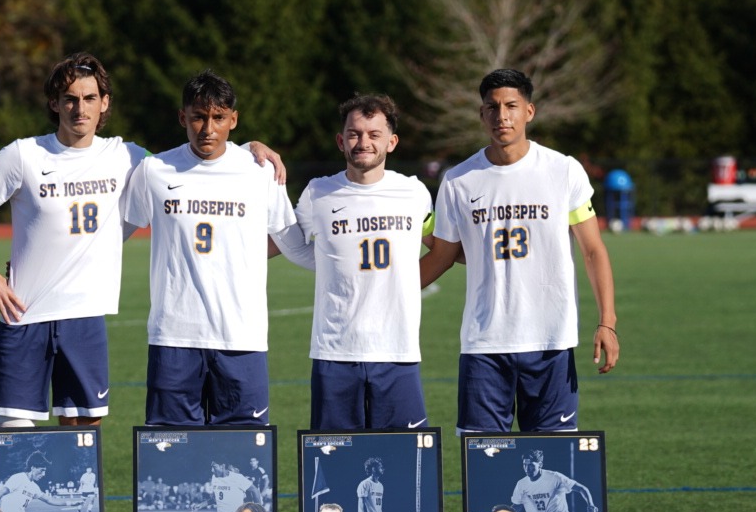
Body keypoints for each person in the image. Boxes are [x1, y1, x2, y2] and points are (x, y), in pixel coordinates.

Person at [0, 53, 285, 427]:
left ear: (104, 103)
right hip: (23, 313)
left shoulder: (129, 157)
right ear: (54, 103)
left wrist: (250, 148)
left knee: (82, 444)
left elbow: (192, 166)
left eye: (90, 98)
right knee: (14, 439)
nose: (80, 108)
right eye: (70, 98)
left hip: (84, 319)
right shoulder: (22, 155)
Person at [419, 68, 619, 433]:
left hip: (550, 342)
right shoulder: (458, 181)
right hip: (484, 344)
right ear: (482, 115)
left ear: (529, 111)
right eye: (492, 107)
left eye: (511, 105)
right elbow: (443, 256)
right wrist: (382, 285)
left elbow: (592, 250)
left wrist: (607, 321)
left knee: (553, 459)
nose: (502, 116)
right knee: (481, 464)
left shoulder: (563, 170)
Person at [119, 70, 307, 427]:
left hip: (241, 336)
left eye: (218, 118)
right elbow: (113, 236)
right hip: (173, 336)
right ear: (182, 118)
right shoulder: (154, 170)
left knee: (243, 460)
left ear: (233, 120)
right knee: (169, 458)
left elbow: (291, 242)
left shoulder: (260, 171)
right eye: (198, 117)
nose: (208, 128)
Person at [286, 94, 433, 431]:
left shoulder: (414, 193)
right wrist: (329, 264)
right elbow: (293, 246)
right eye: (354, 134)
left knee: (406, 460)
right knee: (335, 460)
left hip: (398, 350)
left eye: (374, 134)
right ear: (341, 141)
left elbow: (437, 245)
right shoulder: (317, 194)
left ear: (391, 142)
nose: (363, 142)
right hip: (335, 351)